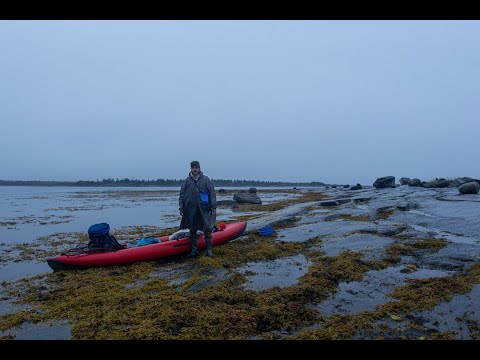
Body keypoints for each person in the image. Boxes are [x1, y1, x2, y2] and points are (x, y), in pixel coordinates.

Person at [179, 160, 217, 258]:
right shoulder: (187, 181)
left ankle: (209, 251)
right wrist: (181, 208)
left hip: (204, 209)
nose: (195, 169)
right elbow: (182, 195)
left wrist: (213, 206)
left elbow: (212, 193)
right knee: (192, 230)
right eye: (193, 168)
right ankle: (194, 250)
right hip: (191, 209)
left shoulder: (206, 179)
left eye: (196, 168)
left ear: (199, 168)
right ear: (191, 169)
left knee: (208, 229)